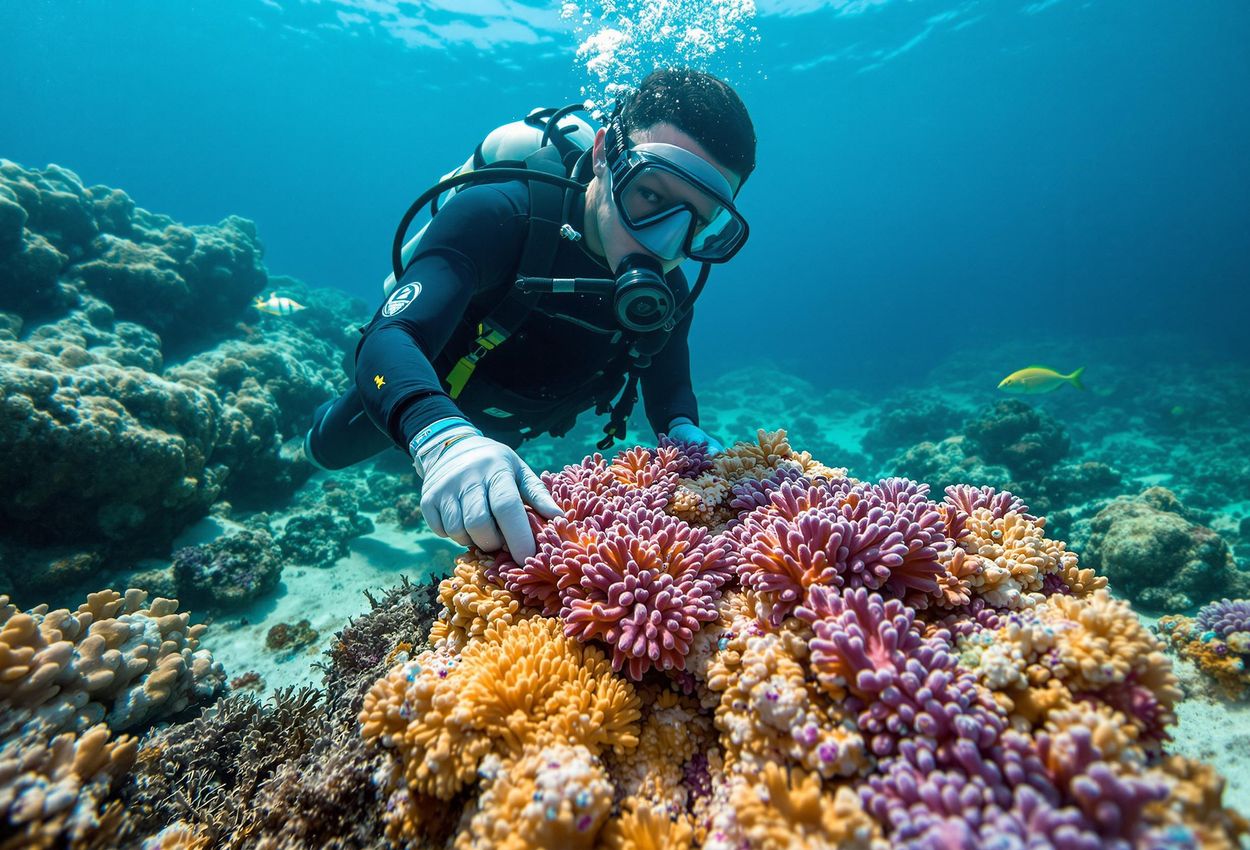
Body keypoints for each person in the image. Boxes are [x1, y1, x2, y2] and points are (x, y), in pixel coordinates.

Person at [304, 68, 756, 561]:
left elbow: (669, 393)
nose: (665, 244)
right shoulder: (499, 215)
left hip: (511, 427)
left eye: (697, 222)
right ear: (605, 153)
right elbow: (391, 334)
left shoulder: (668, 292)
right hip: (428, 392)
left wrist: (689, 435)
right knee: (327, 451)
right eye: (651, 196)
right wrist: (442, 438)